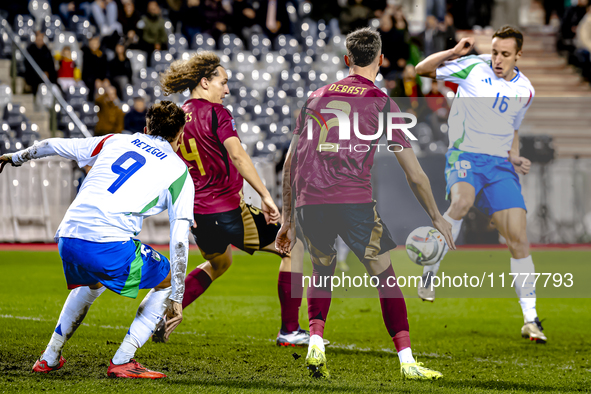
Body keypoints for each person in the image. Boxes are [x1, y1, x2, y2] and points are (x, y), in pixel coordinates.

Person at [275, 27, 454, 380]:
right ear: (381, 59)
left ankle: (315, 342)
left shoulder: (315, 97)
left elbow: (289, 164)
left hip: (310, 202)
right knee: (385, 276)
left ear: (347, 59)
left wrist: (287, 219)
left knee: (322, 271)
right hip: (353, 201)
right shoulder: (382, 102)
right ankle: (407, 362)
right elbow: (414, 172)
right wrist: (436, 216)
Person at [0, 101, 194, 378]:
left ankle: (50, 356)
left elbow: (53, 144)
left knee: (92, 284)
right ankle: (124, 360)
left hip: (68, 236)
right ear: (180, 136)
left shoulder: (114, 140)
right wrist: (177, 294)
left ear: (146, 127)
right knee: (167, 280)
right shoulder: (179, 172)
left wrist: (15, 157)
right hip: (105, 243)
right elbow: (178, 241)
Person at [157, 51, 317, 347]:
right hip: (226, 210)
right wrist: (266, 196)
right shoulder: (216, 113)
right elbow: (238, 154)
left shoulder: (178, 117)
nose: (227, 90)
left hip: (198, 216)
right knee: (292, 247)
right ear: (205, 82)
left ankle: (160, 316)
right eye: (223, 82)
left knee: (220, 263)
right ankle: (290, 331)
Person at [415, 26, 544, 342]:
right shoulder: (473, 66)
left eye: (505, 55)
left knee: (518, 238)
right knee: (461, 202)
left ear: (518, 56)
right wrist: (453, 53)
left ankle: (531, 319)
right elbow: (422, 69)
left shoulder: (525, 90)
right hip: (466, 154)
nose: (497, 59)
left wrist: (514, 156)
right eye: (495, 52)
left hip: (499, 165)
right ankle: (430, 269)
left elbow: (512, 127)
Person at [25, 31, 57, 96]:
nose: (39, 41)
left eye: (41, 39)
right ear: (35, 39)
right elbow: (28, 65)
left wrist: (47, 72)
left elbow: (50, 65)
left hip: (45, 75)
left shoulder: (47, 51)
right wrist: (39, 73)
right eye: (38, 39)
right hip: (34, 74)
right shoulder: (30, 50)